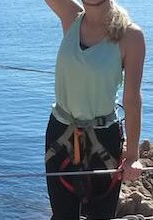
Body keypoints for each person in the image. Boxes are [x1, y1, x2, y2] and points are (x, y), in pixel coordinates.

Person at [44, 0, 145, 219]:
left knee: (101, 215)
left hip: (103, 138)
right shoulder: (70, 16)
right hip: (60, 133)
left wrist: (132, 155)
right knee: (62, 216)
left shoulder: (130, 36)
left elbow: (132, 100)